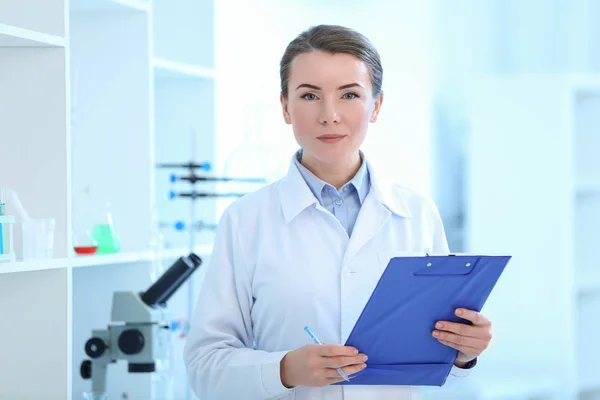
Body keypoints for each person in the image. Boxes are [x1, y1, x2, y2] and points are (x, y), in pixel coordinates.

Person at [183, 24, 493, 400]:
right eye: (310, 96)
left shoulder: (417, 213)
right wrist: (283, 369)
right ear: (285, 106)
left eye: (349, 94)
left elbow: (435, 361)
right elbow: (203, 368)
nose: (329, 115)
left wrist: (463, 353)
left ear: (376, 106)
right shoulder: (245, 221)